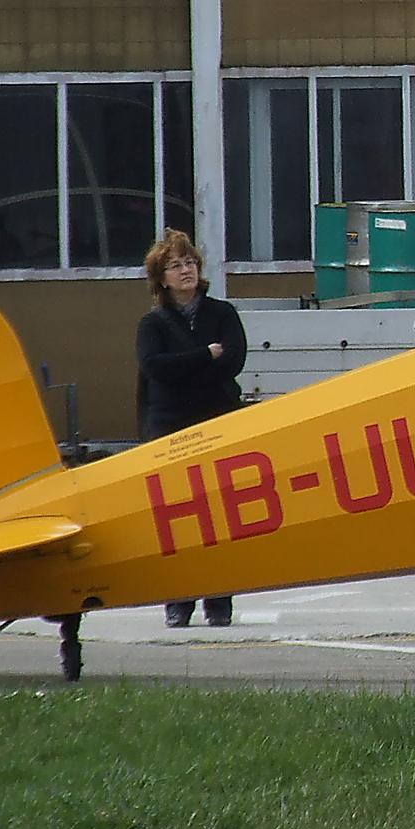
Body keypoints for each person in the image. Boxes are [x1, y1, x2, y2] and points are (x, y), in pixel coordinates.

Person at [136, 229, 248, 628]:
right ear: (161, 277)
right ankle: (177, 602)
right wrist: (203, 355)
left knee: (220, 513)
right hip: (169, 429)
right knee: (176, 519)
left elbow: (232, 361)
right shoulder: (153, 324)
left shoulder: (223, 314)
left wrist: (186, 368)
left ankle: (219, 602)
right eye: (175, 265)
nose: (185, 271)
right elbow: (155, 369)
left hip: (217, 420)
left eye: (190, 263)